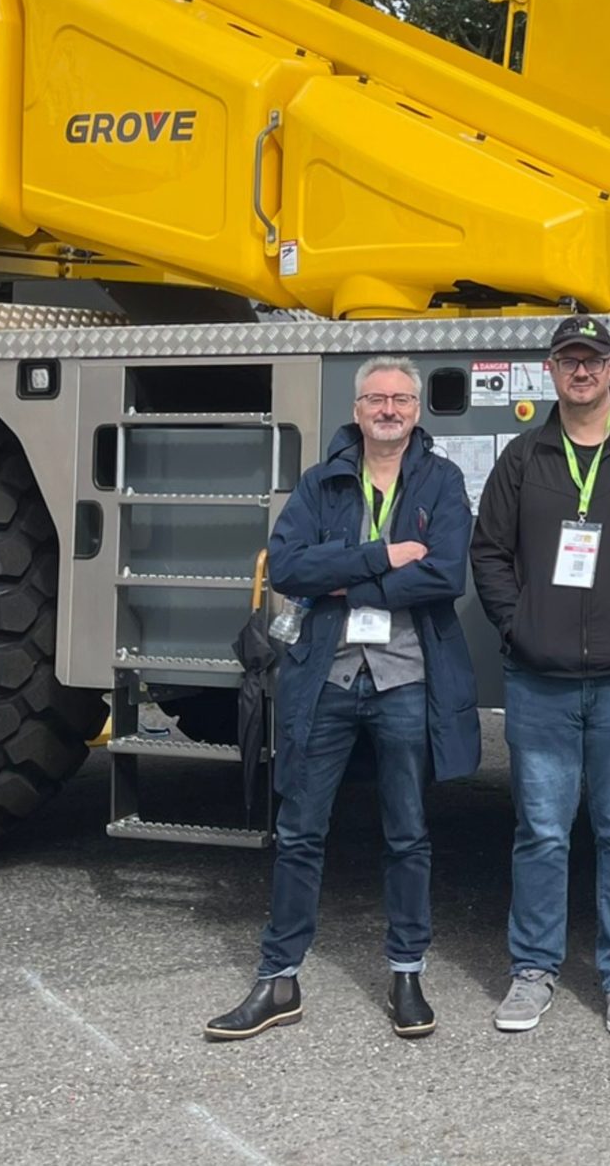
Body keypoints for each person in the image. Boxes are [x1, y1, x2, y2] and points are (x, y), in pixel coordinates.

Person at [205, 356, 478, 1042]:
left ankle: (407, 971)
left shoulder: (442, 482)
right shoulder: (322, 481)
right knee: (300, 830)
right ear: (356, 409)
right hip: (325, 676)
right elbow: (289, 565)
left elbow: (447, 574)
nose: (388, 408)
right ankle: (279, 977)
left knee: (407, 833)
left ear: (417, 409)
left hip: (405, 678)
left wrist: (344, 578)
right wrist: (382, 557)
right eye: (376, 398)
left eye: (401, 398)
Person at [473, 312, 610, 1036]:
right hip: (539, 682)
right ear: (551, 368)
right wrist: (519, 623)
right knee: (540, 831)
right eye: (569, 359)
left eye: (592, 360)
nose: (581, 370)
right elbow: (489, 553)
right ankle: (532, 970)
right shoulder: (523, 457)